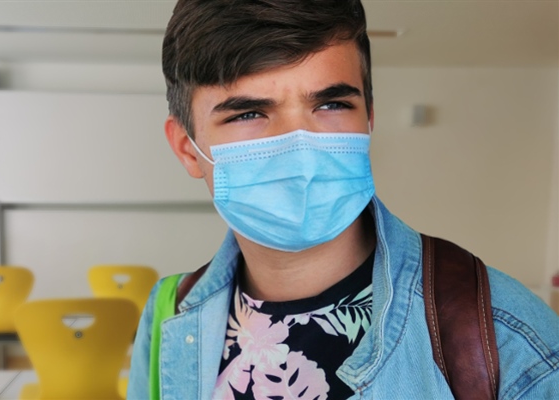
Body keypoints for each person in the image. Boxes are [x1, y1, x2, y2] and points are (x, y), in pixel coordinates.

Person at [127, 0, 559, 399]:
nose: (300, 145)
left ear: (368, 120)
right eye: (249, 113)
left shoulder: (509, 337)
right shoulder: (171, 313)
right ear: (187, 149)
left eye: (331, 104)